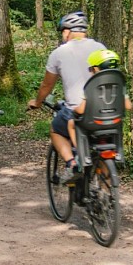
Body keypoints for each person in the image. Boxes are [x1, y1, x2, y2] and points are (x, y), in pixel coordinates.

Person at [27, 11, 106, 183]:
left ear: (68, 31)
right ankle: (107, 197)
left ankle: (72, 163)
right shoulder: (101, 48)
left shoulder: (59, 53)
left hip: (78, 111)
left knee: (55, 129)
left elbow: (47, 85)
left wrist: (38, 102)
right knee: (103, 147)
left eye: (63, 31)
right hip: (105, 111)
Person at [67, 49, 132, 146]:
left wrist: (74, 109)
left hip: (93, 124)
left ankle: (79, 154)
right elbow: (128, 106)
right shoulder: (119, 84)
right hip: (115, 123)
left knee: (71, 124)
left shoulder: (92, 85)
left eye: (91, 69)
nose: (90, 71)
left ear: (96, 69)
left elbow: (81, 110)